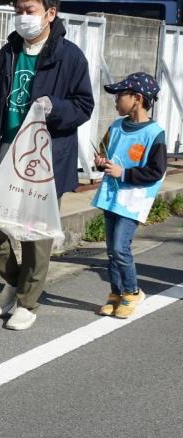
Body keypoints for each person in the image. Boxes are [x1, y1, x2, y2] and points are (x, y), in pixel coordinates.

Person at [0, 0, 94, 331]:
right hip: (2, 152)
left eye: (29, 10)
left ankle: (27, 301)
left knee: (35, 233)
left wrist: (55, 107)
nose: (22, 17)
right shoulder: (7, 53)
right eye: (18, 9)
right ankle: (15, 280)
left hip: (42, 160)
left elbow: (83, 105)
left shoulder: (70, 57)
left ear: (50, 13)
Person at [91, 73, 166, 319]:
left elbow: (156, 171)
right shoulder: (115, 126)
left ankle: (132, 292)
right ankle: (115, 294)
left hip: (132, 201)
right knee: (111, 250)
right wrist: (101, 161)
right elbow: (103, 150)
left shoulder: (154, 133)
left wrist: (123, 173)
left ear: (137, 98)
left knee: (120, 248)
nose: (115, 100)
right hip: (111, 196)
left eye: (120, 95)